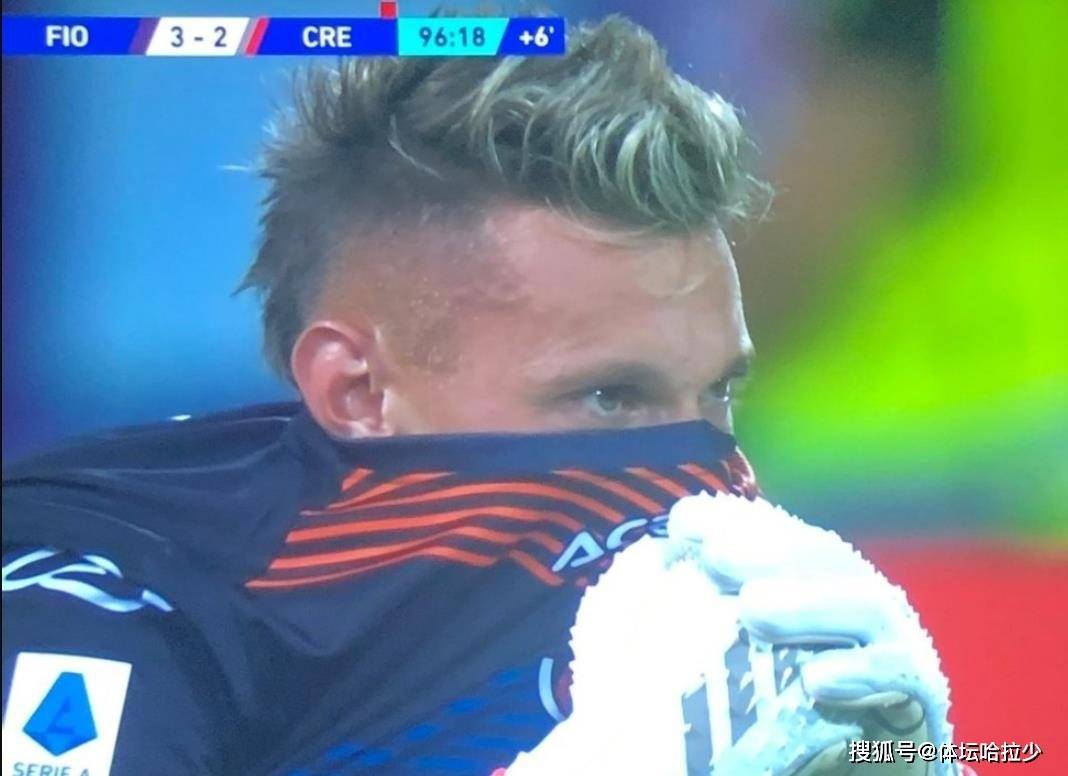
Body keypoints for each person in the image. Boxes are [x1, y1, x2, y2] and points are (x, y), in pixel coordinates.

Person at [2, 15, 960, 776]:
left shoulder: (718, 639)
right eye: (609, 398)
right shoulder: (103, 600)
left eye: (717, 395)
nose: (694, 486)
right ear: (358, 393)